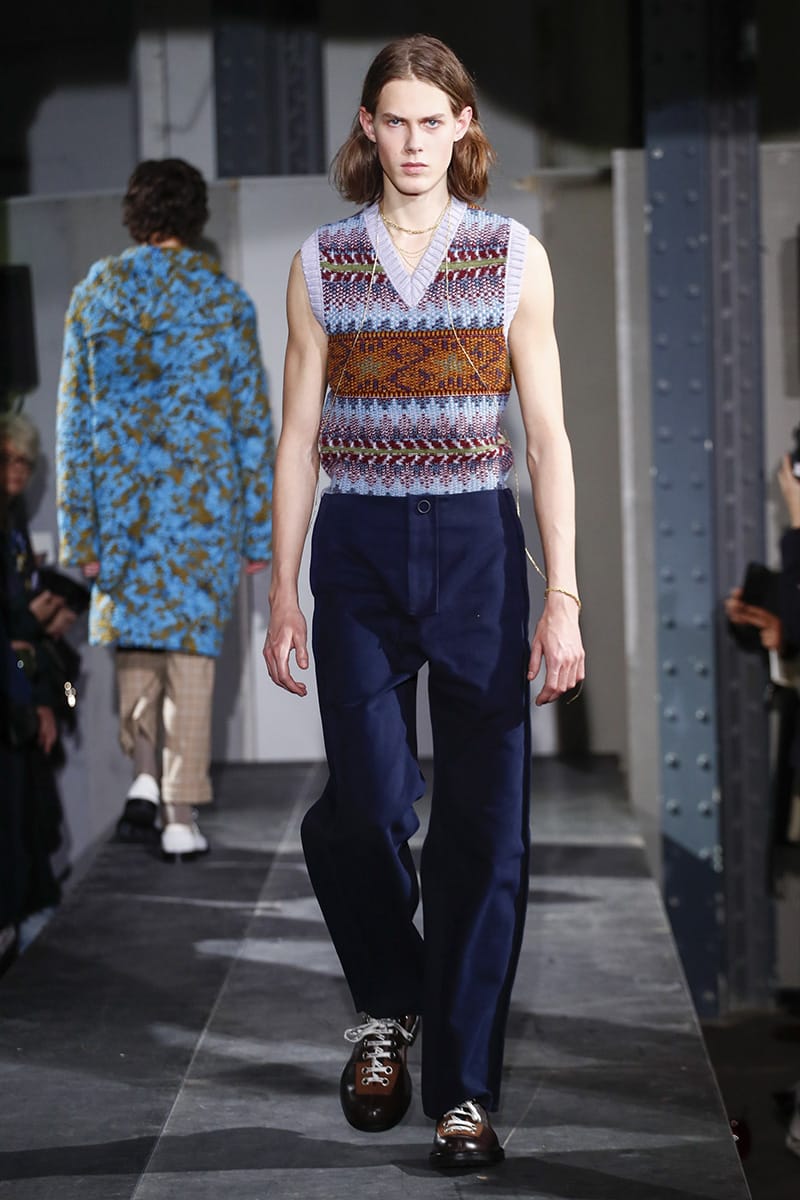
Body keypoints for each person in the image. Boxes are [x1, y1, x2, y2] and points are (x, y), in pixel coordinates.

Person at [263, 35, 584, 1169]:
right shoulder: (320, 263)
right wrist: (281, 591)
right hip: (356, 551)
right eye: (391, 121)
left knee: (484, 826)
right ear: (368, 127)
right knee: (362, 806)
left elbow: (546, 437)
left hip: (477, 548)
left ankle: (462, 1092)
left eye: (430, 122)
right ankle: (390, 999)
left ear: (462, 128)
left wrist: (562, 596)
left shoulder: (511, 256)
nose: (411, 142)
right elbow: (296, 438)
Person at [57, 158, 274, 862]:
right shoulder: (225, 303)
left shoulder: (96, 294)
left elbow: (73, 426)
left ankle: (145, 777)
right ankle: (180, 813)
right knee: (191, 658)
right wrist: (259, 532)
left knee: (137, 647)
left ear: (135, 213)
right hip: (202, 510)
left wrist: (80, 533)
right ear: (196, 216)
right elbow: (250, 427)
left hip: (122, 510)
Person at [1, 412, 69, 947]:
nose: (18, 470)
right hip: (14, 687)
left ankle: (28, 918)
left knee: (32, 813)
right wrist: (30, 619)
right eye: (8, 459)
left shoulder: (15, 521)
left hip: (30, 685)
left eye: (25, 461)